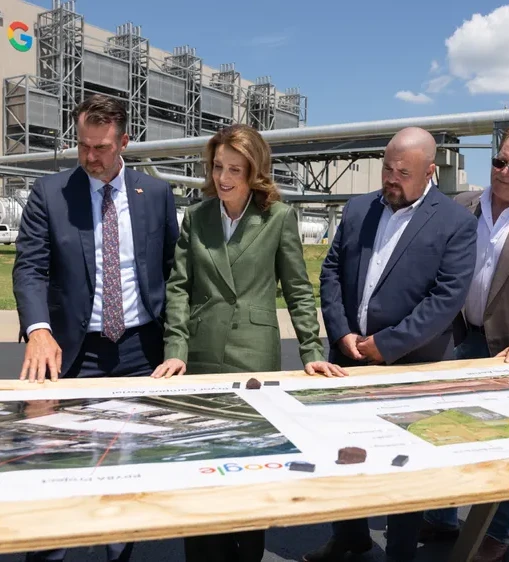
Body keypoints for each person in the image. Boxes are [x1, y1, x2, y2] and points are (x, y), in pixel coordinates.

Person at [151, 123, 346, 561]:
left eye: (234, 169)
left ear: (254, 171)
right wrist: (175, 350)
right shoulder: (197, 216)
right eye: (218, 166)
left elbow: (298, 289)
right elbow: (178, 287)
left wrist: (312, 352)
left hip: (254, 355)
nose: (223, 178)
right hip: (199, 354)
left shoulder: (278, 217)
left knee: (249, 467)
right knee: (201, 462)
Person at [12, 93, 179, 562]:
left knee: (125, 457)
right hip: (68, 350)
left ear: (124, 141)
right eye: (83, 145)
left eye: (101, 148)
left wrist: (178, 340)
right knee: (52, 458)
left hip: (138, 351)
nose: (90, 157)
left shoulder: (157, 195)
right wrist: (38, 328)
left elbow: (173, 272)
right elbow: (30, 268)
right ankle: (47, 552)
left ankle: (118, 546)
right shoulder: (51, 194)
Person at [303, 127, 478, 562]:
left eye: (403, 172)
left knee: (405, 463)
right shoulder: (359, 208)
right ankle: (350, 537)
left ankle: (400, 552)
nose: (391, 178)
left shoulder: (455, 222)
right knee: (343, 456)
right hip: (347, 358)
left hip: (411, 363)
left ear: (430, 172)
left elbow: (446, 297)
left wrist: (387, 345)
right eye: (387, 168)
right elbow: (331, 272)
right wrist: (341, 332)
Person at [423, 123, 509, 562]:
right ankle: (442, 517)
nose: (502, 171)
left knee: (505, 443)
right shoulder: (463, 206)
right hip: (458, 337)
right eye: (498, 160)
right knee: (437, 430)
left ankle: (497, 534)